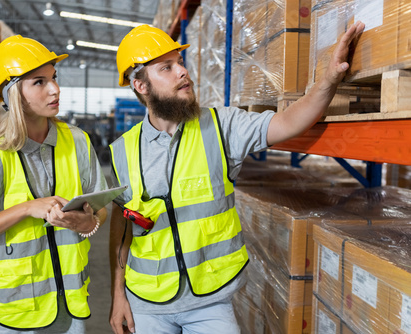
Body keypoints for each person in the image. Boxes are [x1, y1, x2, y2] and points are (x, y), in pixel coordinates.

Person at [108, 23, 365, 334]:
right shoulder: (122, 151)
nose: (183, 72)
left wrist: (329, 79)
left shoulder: (221, 126)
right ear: (141, 86)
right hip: (147, 304)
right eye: (167, 67)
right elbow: (121, 230)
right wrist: (117, 295)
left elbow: (288, 122)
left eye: (180, 62)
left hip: (211, 302)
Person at [0, 35, 108, 333]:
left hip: (69, 307)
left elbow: (100, 208)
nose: (55, 89)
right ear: (13, 93)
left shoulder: (77, 141)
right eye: (39, 82)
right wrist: (26, 209)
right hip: (14, 312)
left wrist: (89, 223)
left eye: (54, 78)